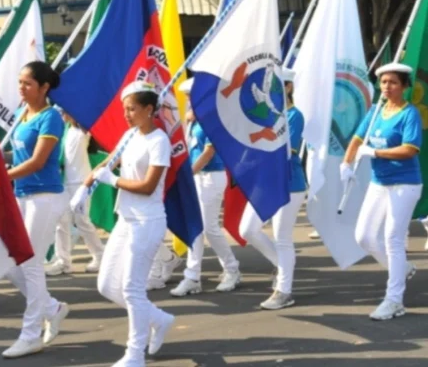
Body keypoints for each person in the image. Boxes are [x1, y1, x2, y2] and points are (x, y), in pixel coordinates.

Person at [88, 81, 175, 367]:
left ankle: (134, 354)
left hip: (147, 222)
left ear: (149, 110)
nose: (126, 114)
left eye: (132, 109)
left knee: (131, 289)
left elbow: (149, 186)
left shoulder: (159, 140)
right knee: (106, 286)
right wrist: (93, 176)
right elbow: (110, 162)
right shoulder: (129, 135)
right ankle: (158, 319)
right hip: (125, 219)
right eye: (125, 109)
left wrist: (111, 180)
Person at [342, 63, 422, 320]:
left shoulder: (410, 113)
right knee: (364, 237)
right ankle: (402, 269)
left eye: (393, 82)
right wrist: (346, 163)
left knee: (392, 239)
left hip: (405, 183)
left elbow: (410, 149)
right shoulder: (376, 110)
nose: (387, 87)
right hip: (379, 181)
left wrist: (374, 152)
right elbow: (357, 138)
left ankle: (394, 300)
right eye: (384, 82)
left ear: (404, 86)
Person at [2, 61, 70, 358]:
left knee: (30, 265)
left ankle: (30, 334)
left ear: (44, 88)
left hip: (45, 197)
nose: (21, 88)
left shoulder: (51, 117)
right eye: (20, 82)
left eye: (27, 83)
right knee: (7, 264)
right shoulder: (21, 114)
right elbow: (16, 154)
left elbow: (38, 162)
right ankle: (52, 308)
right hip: (22, 195)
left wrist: (0, 176)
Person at [239, 69, 306, 309]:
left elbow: (286, 152)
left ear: (288, 88)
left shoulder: (294, 116)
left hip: (290, 184)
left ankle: (284, 290)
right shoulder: (263, 116)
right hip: (264, 184)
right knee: (247, 229)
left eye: (277, 87)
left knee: (282, 238)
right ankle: (282, 266)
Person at [170, 79, 242, 297]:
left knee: (208, 228)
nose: (189, 101)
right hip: (199, 178)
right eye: (188, 97)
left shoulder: (213, 119)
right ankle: (194, 276)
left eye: (192, 96)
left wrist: (187, 173)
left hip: (211, 177)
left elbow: (209, 152)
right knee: (199, 228)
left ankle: (230, 269)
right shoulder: (193, 120)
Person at [46, 112, 105, 276]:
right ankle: (63, 261)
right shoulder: (65, 130)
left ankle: (100, 256)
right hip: (65, 183)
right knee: (61, 221)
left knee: (81, 221)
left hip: (82, 182)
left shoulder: (83, 131)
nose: (63, 115)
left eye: (66, 112)